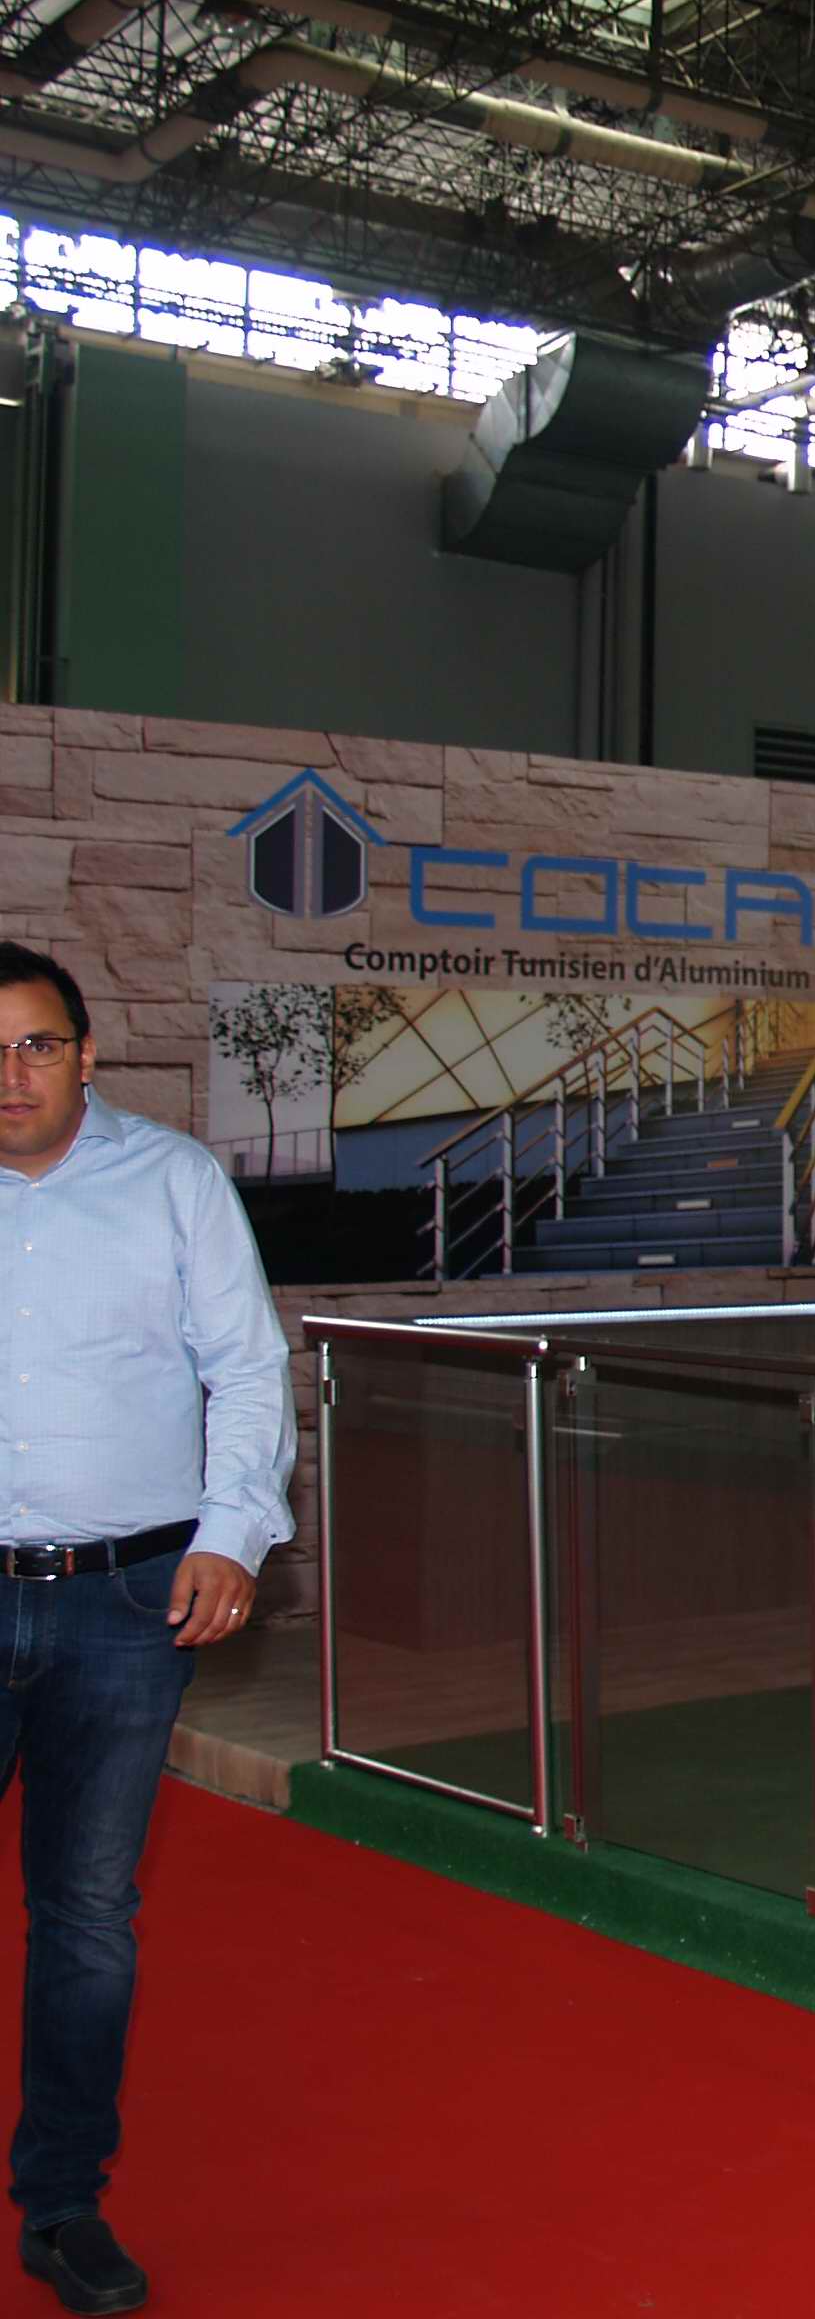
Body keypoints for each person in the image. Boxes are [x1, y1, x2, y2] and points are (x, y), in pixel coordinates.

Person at [0, 943, 291, 2316]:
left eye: (37, 1044)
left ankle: (62, 2203)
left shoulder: (174, 1181)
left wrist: (232, 1533)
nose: (12, 1074)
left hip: (125, 1607)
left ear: (87, 1055)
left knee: (85, 1918)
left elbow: (248, 1368)